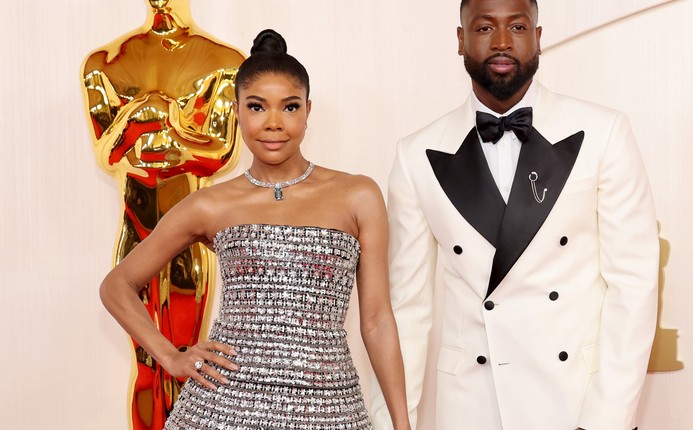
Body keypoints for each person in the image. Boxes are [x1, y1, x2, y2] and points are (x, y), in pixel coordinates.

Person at [100, 29, 411, 430]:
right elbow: (116, 285)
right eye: (258, 107)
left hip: (329, 410)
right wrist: (172, 356)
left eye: (290, 107)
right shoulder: (211, 203)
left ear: (308, 111)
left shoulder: (358, 195)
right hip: (221, 411)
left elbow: (377, 321)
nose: (274, 123)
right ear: (237, 110)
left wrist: (403, 424)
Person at [369, 0, 658, 429]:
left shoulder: (604, 132)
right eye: (485, 28)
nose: (502, 42)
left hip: (577, 401)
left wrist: (606, 418)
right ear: (461, 39)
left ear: (538, 39)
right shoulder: (416, 156)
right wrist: (392, 422)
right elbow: (406, 310)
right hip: (472, 404)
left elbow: (633, 283)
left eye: (518, 27)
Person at [83, 1, 245, 426]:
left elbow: (221, 151)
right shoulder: (103, 63)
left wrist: (172, 126)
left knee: (189, 352)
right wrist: (140, 112)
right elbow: (108, 154)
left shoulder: (225, 62)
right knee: (147, 359)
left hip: (191, 232)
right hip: (135, 224)